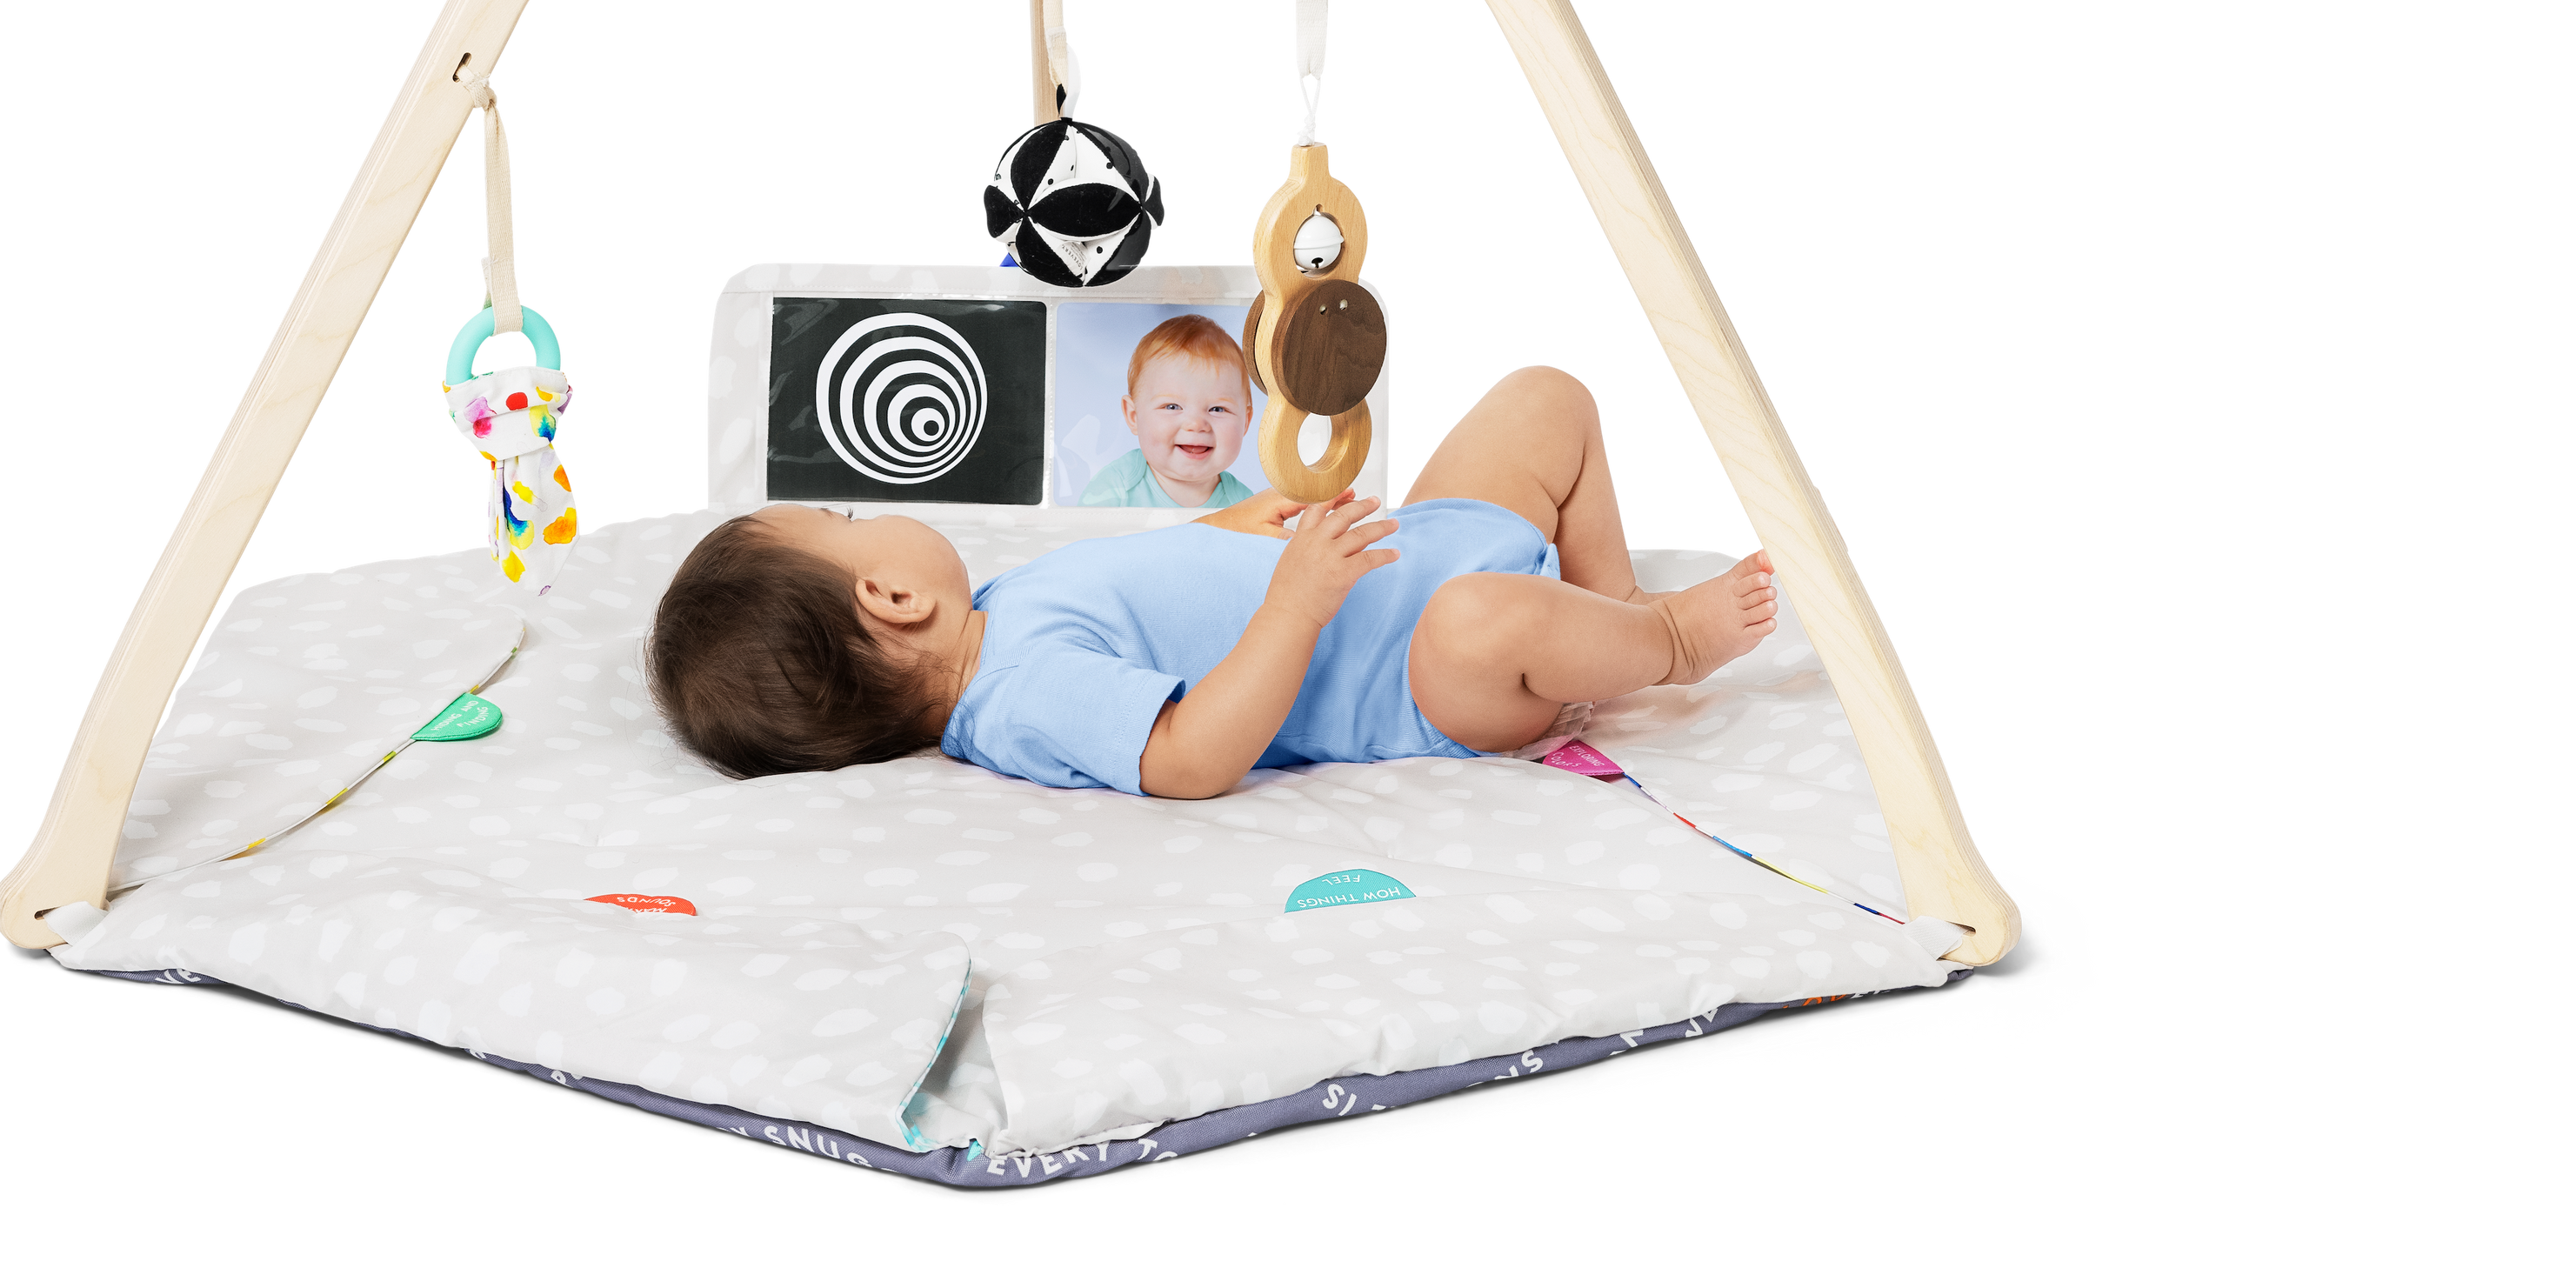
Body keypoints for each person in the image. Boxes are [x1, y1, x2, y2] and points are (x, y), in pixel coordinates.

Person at [647, 364, 1776, 797]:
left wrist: (1235, 526)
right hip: (1424, 674)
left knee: (1548, 397)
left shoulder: (1003, 619)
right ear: (889, 599)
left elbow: (1155, 580)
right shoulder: (1022, 695)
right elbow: (1189, 755)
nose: (869, 513)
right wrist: (1290, 601)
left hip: (1410, 549)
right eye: (847, 521)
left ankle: (1608, 607)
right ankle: (1664, 643)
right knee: (1487, 621)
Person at [1076, 313, 1256, 510]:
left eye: (1217, 409)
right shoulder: (1113, 491)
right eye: (1172, 407)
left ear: (1245, 422)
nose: (1196, 424)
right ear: (1134, 416)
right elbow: (1080, 538)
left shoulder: (1245, 507)